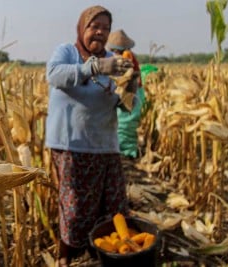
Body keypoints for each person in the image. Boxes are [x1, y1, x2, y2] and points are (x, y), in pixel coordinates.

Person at [44, 5, 138, 266]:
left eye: (105, 28)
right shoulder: (68, 52)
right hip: (71, 145)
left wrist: (131, 87)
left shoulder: (115, 61)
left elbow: (126, 106)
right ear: (82, 28)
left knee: (113, 205)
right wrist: (95, 67)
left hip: (106, 145)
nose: (100, 33)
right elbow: (53, 76)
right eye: (94, 26)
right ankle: (66, 255)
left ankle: (108, 252)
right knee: (75, 208)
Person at [106, 29, 144, 159]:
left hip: (131, 93)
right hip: (130, 92)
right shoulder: (120, 56)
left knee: (125, 123)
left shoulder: (126, 56)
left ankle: (127, 152)